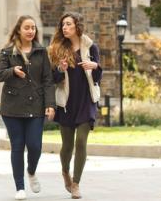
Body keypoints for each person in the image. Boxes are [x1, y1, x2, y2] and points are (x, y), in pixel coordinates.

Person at [0, 15, 56, 200]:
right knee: (17, 146)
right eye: (27, 28)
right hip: (12, 107)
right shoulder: (7, 52)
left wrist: (50, 105)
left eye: (33, 28)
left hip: (36, 106)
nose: (31, 31)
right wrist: (12, 71)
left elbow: (48, 80)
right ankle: (19, 187)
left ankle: (31, 171)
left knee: (35, 146)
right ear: (19, 30)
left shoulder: (41, 52)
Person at [48, 12, 102, 200]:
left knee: (81, 141)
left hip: (86, 101)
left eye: (68, 24)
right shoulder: (57, 49)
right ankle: (65, 172)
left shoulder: (91, 46)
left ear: (77, 26)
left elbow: (97, 78)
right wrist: (60, 70)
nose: (65, 28)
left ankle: (76, 183)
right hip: (67, 103)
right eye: (63, 25)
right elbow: (53, 79)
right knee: (67, 145)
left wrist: (95, 67)